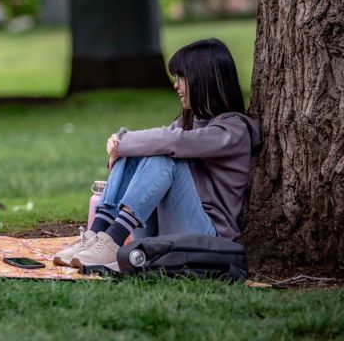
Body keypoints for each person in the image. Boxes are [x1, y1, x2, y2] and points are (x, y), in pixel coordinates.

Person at [54, 38, 261, 271]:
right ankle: (97, 233)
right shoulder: (188, 123)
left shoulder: (233, 130)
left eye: (182, 78)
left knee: (160, 153)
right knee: (141, 148)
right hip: (164, 231)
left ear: (204, 79)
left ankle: (114, 238)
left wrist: (124, 142)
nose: (176, 85)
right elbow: (158, 141)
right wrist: (121, 145)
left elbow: (173, 142)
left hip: (208, 239)